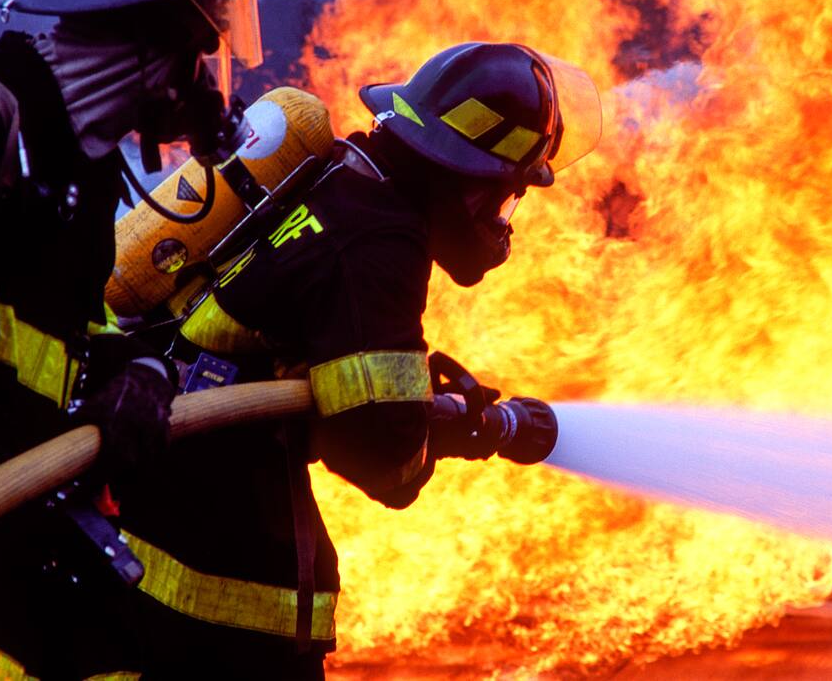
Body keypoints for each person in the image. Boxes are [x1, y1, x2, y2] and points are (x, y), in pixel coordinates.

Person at [112, 41, 602, 678]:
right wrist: (454, 427)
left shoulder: (342, 180)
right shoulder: (377, 241)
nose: (502, 219)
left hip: (168, 503)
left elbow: (326, 368)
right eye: (509, 197)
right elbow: (383, 458)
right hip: (223, 574)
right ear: (473, 182)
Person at [0, 0, 264, 679]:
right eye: (206, 39)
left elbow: (69, 332)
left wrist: (136, 367)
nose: (208, 73)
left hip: (27, 537)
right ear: (156, 31)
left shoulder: (81, 172)